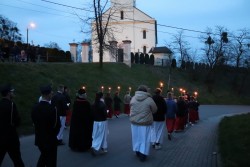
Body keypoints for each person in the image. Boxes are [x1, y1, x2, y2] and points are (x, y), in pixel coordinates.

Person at [31, 85, 61, 167]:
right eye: (51, 93)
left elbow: (34, 122)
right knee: (51, 161)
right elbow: (57, 125)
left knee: (44, 156)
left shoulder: (34, 108)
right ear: (48, 95)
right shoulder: (53, 109)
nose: (52, 94)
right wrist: (52, 135)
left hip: (39, 139)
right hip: (50, 140)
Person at [129, 85, 157, 162]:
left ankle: (137, 150)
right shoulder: (149, 99)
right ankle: (143, 154)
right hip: (145, 122)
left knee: (136, 137)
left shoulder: (133, 98)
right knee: (144, 139)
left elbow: (130, 106)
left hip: (134, 122)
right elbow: (154, 109)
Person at [0, 84, 25, 167]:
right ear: (8, 93)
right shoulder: (11, 105)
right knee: (17, 160)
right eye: (12, 91)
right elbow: (17, 122)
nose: (13, 93)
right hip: (11, 137)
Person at [91, 92, 108, 156]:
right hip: (102, 121)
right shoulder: (102, 104)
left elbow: (91, 113)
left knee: (95, 134)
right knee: (101, 135)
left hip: (95, 121)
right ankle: (95, 147)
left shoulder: (93, 104)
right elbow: (105, 114)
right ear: (102, 96)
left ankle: (97, 146)